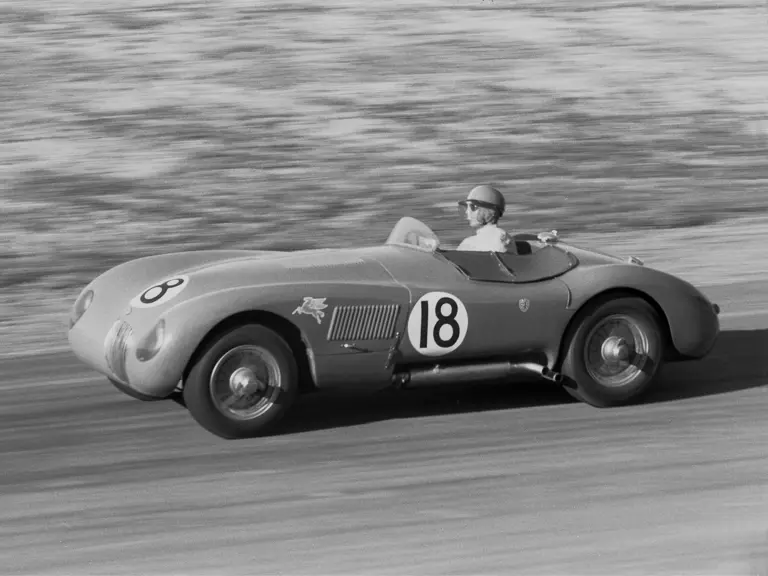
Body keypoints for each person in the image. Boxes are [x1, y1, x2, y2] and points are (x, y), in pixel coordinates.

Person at [456, 184, 512, 252]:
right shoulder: (469, 242)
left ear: (491, 211)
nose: (467, 212)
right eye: (466, 207)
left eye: (473, 207)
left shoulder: (499, 237)